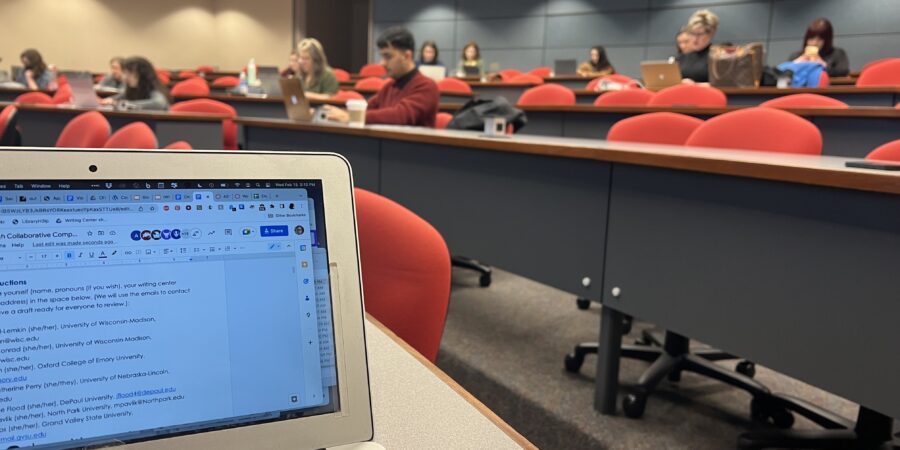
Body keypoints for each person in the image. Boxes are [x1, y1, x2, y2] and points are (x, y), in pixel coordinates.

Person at [324, 27, 439, 128]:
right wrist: (334, 114)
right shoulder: (389, 87)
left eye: (388, 56)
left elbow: (401, 116)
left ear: (407, 56)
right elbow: (365, 108)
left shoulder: (427, 86)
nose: (382, 63)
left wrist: (352, 117)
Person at [101, 56, 170, 111]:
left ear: (141, 75)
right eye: (124, 73)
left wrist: (121, 104)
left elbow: (159, 103)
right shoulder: (133, 90)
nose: (125, 78)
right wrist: (109, 101)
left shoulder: (154, 91)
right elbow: (116, 98)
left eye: (129, 74)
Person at [676, 9, 719, 83]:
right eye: (692, 33)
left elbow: (723, 86)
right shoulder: (682, 58)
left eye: (699, 34)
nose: (695, 39)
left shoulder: (718, 58)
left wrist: (695, 86)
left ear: (711, 34)